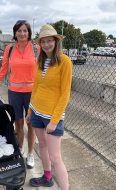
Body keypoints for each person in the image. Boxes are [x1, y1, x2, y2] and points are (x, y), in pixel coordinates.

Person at [0, 20, 39, 169]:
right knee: (18, 123)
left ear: (29, 33)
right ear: (15, 33)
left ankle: (31, 154)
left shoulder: (36, 49)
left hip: (32, 94)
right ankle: (20, 149)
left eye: (25, 30)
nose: (22, 33)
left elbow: (42, 73)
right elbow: (3, 71)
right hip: (14, 93)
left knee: (31, 124)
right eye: (19, 31)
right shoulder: (9, 49)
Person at [26, 24, 72, 189]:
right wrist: (30, 110)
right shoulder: (41, 60)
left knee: (55, 157)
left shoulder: (65, 61)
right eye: (43, 41)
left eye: (49, 41)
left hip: (52, 117)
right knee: (42, 146)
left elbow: (65, 94)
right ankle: (47, 177)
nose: (46, 44)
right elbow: (36, 87)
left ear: (56, 41)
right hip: (37, 112)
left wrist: (54, 120)